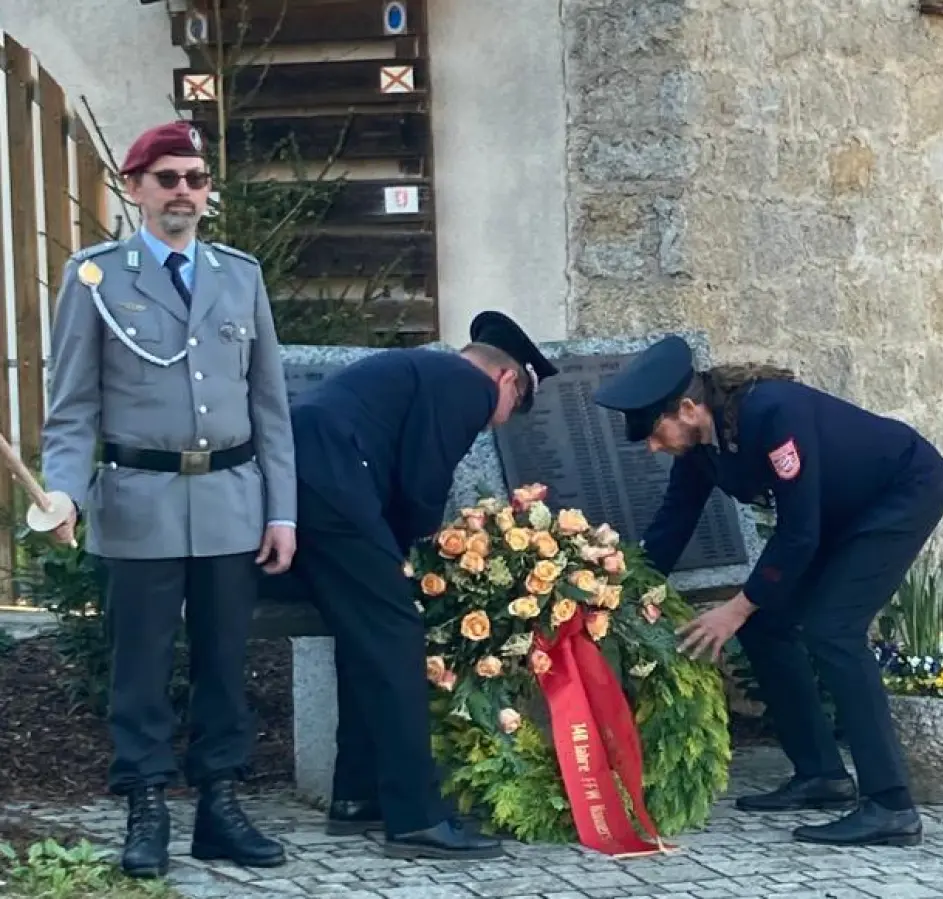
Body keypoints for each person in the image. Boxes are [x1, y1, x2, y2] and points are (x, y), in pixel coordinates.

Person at [41, 121, 298, 878]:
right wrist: (63, 490)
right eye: (167, 178)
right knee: (141, 666)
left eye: (194, 177)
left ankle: (220, 804)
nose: (183, 190)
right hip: (139, 499)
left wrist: (281, 510)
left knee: (224, 663)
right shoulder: (95, 277)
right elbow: (72, 408)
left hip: (230, 499)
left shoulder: (238, 275)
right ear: (135, 189)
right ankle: (145, 806)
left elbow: (270, 406)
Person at [592, 336, 943, 847]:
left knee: (834, 630)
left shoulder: (771, 412)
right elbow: (673, 523)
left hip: (901, 492)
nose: (653, 445)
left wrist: (734, 608)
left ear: (688, 409)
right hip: (839, 509)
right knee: (767, 629)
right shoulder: (702, 448)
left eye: (654, 431)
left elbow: (800, 532)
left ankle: (891, 805)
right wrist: (623, 592)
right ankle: (822, 775)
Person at [285, 311, 556, 860]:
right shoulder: (467, 386)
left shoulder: (422, 372)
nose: (496, 423)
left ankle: (357, 794)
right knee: (397, 637)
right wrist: (412, 551)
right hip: (336, 484)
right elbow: (423, 480)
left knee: (366, 640)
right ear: (507, 380)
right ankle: (417, 818)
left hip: (310, 480)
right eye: (512, 408)